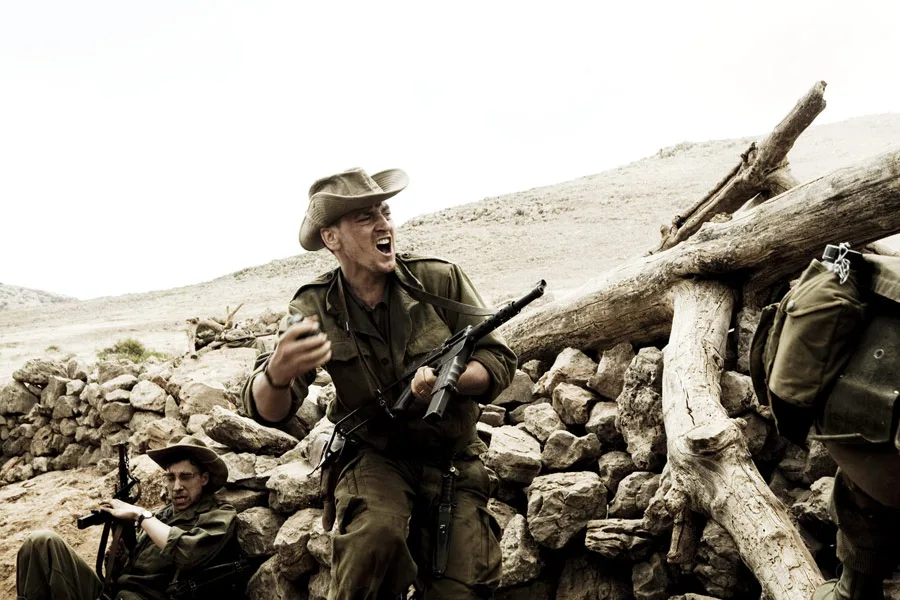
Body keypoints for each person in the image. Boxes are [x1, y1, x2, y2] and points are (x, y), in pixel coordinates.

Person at [241, 167, 517, 600]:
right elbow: (270, 410)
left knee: (463, 587)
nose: (383, 224)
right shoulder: (313, 305)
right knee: (374, 541)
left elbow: (497, 360)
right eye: (365, 217)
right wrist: (277, 373)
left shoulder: (438, 279)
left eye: (385, 212)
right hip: (375, 454)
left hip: (451, 457)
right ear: (331, 238)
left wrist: (450, 380)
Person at [16, 435, 237, 600]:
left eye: (185, 477)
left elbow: (188, 553)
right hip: (114, 594)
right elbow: (125, 572)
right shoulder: (164, 515)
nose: (177, 486)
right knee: (41, 542)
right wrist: (120, 549)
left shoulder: (219, 515)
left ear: (204, 479)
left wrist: (140, 514)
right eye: (171, 477)